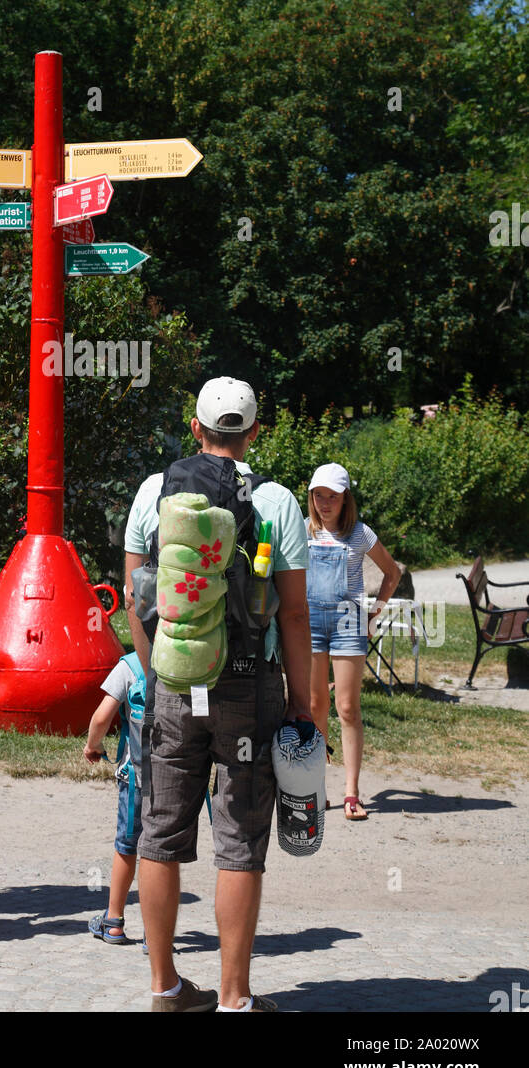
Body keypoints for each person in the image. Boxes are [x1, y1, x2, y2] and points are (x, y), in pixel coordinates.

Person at [126, 377, 312, 1012]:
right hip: (247, 684)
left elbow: (138, 597)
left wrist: (157, 675)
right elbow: (292, 615)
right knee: (239, 838)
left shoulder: (155, 491)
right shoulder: (278, 501)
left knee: (160, 832)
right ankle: (235, 998)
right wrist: (301, 701)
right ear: (254, 432)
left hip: (176, 684)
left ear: (196, 427)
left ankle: (165, 987)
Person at [305, 462, 402, 822]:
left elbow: (391, 573)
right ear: (311, 497)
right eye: (319, 496)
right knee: (315, 705)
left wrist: (373, 614)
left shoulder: (360, 533)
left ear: (346, 499)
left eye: (332, 496)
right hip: (311, 623)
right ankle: (317, 788)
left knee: (346, 707)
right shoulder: (304, 532)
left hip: (349, 623)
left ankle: (351, 792)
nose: (325, 503)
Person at [83, 651, 146, 946]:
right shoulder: (184, 662)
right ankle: (156, 932)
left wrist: (92, 745)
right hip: (176, 781)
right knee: (160, 854)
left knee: (126, 847)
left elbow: (101, 718)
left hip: (135, 779)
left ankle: (114, 921)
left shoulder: (131, 665)